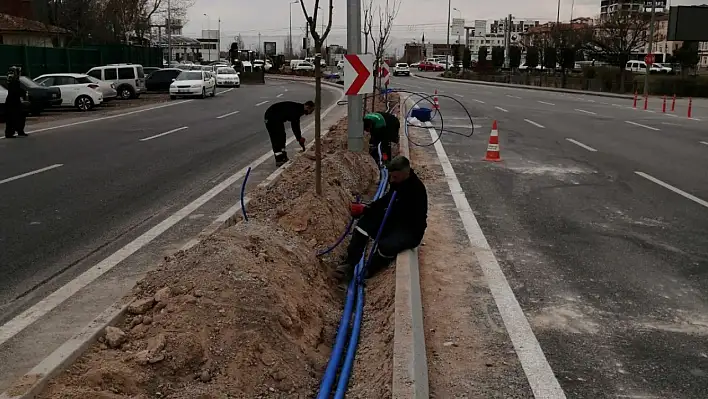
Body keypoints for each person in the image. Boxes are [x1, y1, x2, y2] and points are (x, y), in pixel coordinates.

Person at [334, 155, 427, 281]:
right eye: (391, 176)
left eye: (395, 177)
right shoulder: (399, 183)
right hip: (395, 222)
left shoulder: (415, 190)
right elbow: (385, 202)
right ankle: (350, 265)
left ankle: (369, 269)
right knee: (363, 226)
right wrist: (366, 209)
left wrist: (369, 211)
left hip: (409, 230)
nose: (391, 180)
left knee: (386, 246)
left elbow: (395, 211)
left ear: (406, 173)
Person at [263, 100, 315, 167]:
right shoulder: (296, 110)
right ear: (307, 107)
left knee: (282, 136)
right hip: (271, 118)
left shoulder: (298, 109)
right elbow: (295, 126)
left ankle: (283, 157)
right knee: (276, 138)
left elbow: (295, 125)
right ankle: (279, 160)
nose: (310, 113)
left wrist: (299, 138)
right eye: (311, 110)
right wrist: (299, 138)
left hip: (277, 119)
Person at [4, 66, 28, 139]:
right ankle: (9, 133)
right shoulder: (12, 79)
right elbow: (14, 90)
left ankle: (20, 130)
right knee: (12, 118)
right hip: (12, 102)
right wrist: (22, 93)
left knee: (21, 116)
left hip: (16, 101)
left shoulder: (16, 80)